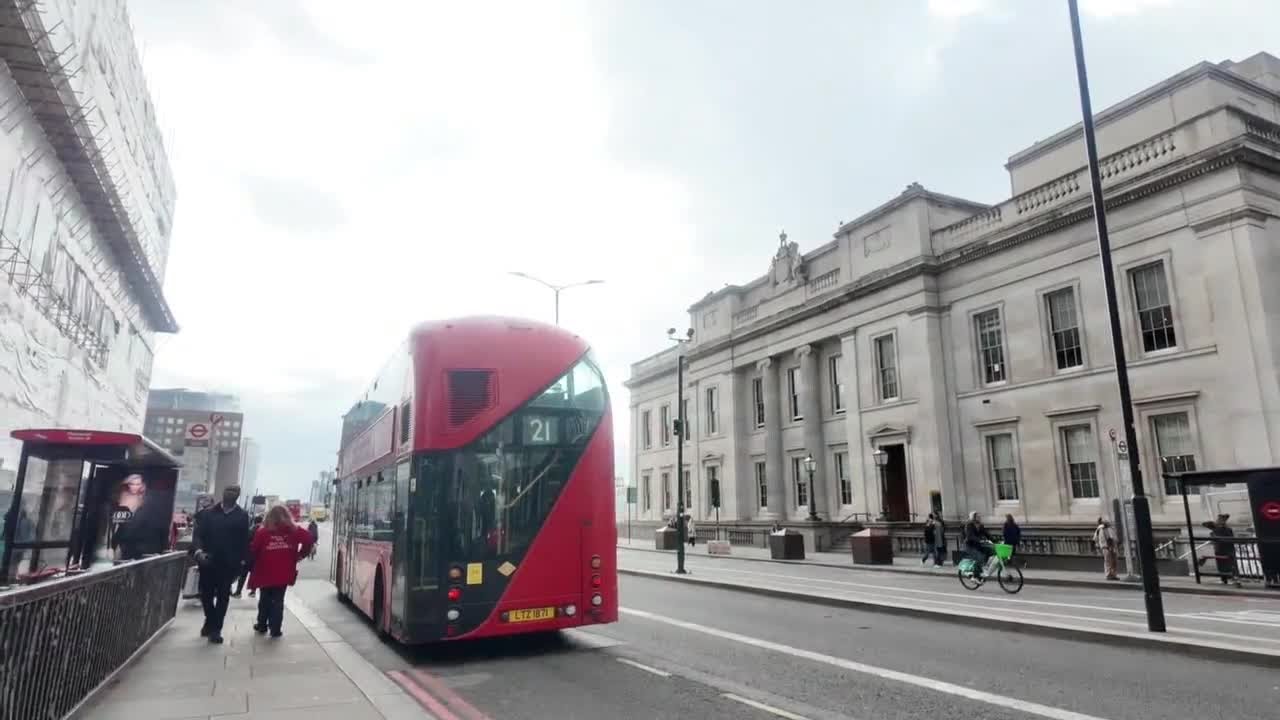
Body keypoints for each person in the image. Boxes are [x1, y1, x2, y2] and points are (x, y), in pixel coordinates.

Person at [191, 485, 250, 644]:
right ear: (223, 493)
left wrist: (242, 563)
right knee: (206, 595)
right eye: (228, 490)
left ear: (238, 495)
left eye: (234, 491)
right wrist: (198, 552)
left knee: (223, 596)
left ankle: (216, 629)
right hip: (208, 561)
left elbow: (244, 541)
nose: (230, 493)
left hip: (228, 565)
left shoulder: (242, 516)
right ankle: (209, 620)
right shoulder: (208, 514)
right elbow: (198, 535)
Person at [248, 505, 314, 638]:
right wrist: (300, 555)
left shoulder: (263, 532)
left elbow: (254, 549)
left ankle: (262, 625)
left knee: (265, 599)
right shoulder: (294, 531)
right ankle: (275, 629)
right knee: (278, 600)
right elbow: (309, 539)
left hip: (265, 571)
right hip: (284, 571)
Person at [233, 515, 263, 598]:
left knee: (243, 575)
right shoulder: (264, 530)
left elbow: (245, 543)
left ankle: (238, 592)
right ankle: (253, 591)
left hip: (248, 556)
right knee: (254, 574)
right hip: (258, 556)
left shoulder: (251, 529)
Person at [962, 511, 994, 578]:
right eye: (977, 516)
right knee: (980, 557)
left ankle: (982, 566)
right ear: (973, 518)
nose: (979, 517)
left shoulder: (980, 525)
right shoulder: (969, 525)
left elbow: (986, 534)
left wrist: (995, 540)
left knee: (990, 551)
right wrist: (980, 540)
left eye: (979, 516)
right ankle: (975, 575)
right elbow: (970, 536)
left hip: (977, 545)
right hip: (969, 545)